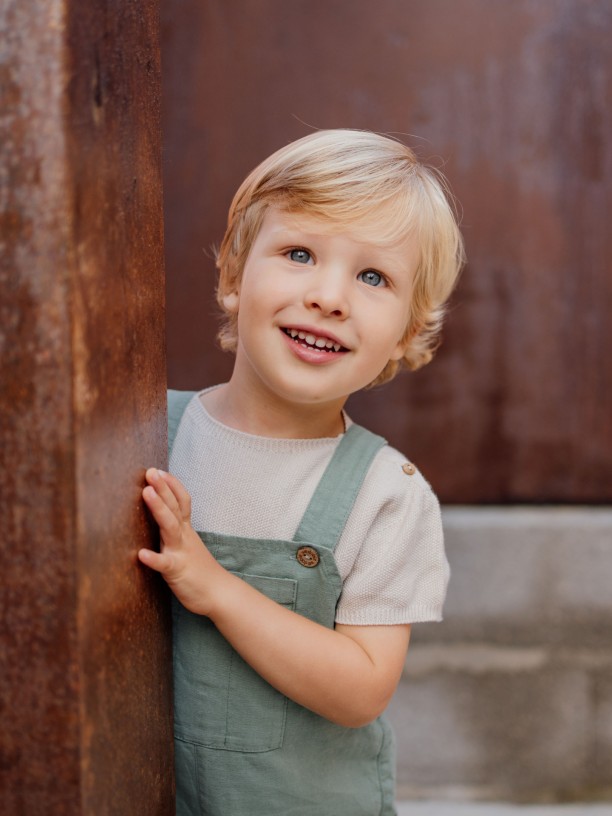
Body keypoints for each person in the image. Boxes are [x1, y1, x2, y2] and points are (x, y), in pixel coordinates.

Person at [138, 129, 464, 816]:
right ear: (232, 276)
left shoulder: (385, 495)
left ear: (407, 332)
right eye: (299, 253)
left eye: (372, 277)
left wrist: (216, 589)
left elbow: (361, 690)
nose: (328, 296)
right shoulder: (138, 434)